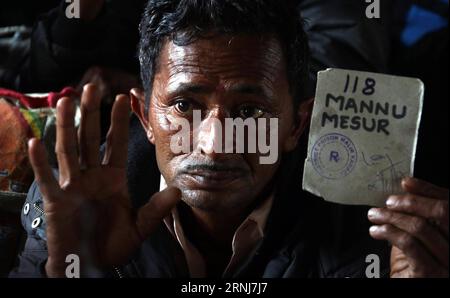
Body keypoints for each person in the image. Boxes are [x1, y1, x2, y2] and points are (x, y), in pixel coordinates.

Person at [10, 0, 448, 278]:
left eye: (250, 111)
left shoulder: (376, 230)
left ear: (298, 126)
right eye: (184, 106)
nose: (215, 144)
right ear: (143, 116)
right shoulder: (74, 202)